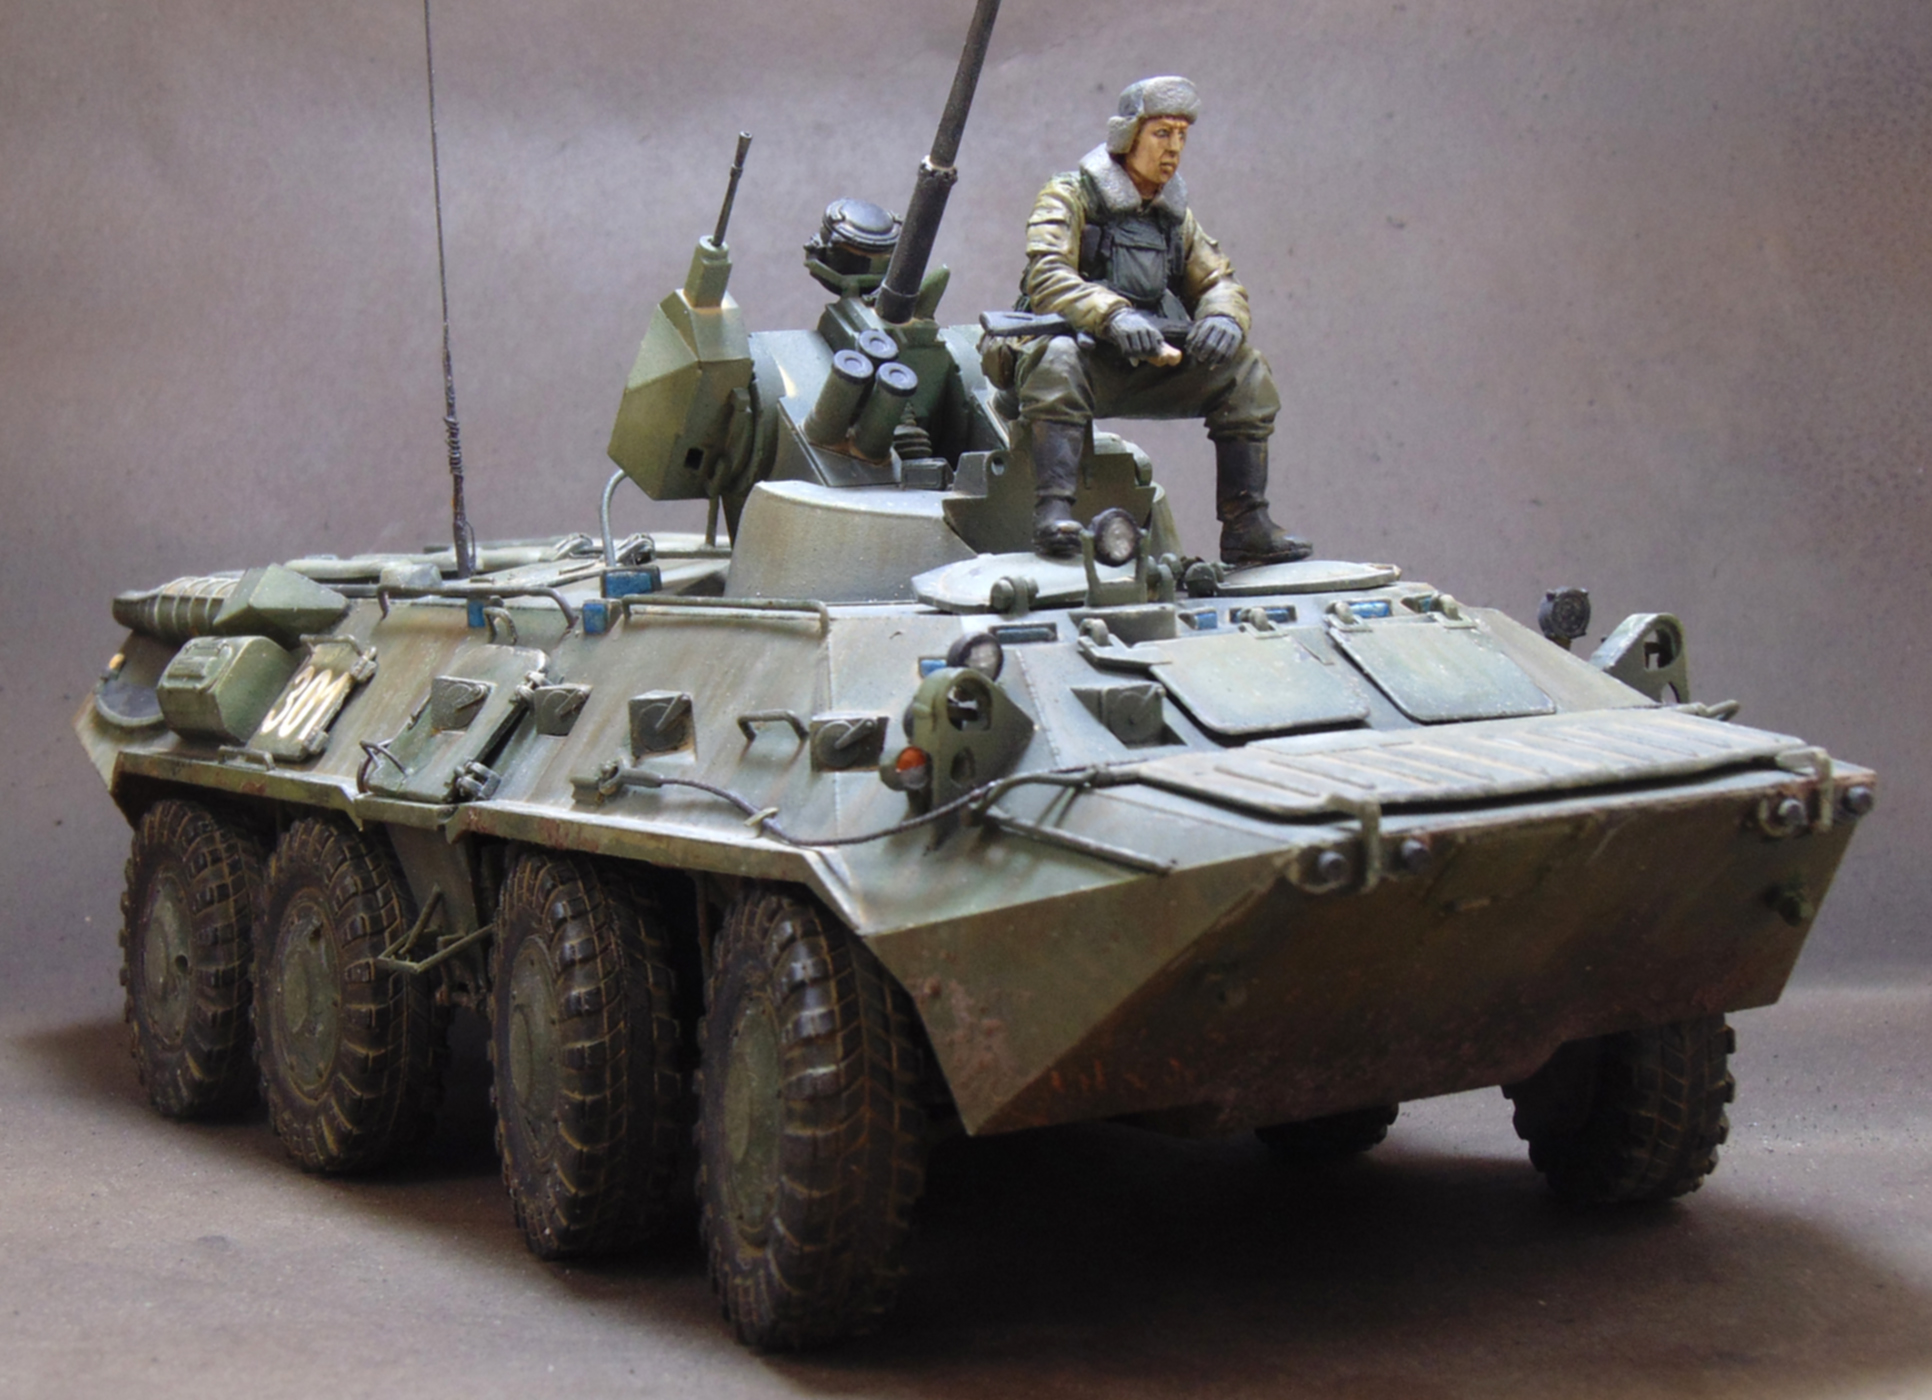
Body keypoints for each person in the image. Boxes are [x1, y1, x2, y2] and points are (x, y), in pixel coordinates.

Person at [1011, 76, 1310, 564]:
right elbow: (1047, 275)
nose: (1173, 148)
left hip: (1153, 358)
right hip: (1084, 359)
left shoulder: (1173, 215)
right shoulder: (1070, 195)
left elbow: (1217, 280)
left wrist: (1223, 318)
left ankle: (1246, 525)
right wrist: (1112, 315)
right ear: (1129, 136)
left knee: (1247, 371)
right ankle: (1054, 514)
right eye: (1161, 133)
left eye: (1182, 136)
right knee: (1058, 361)